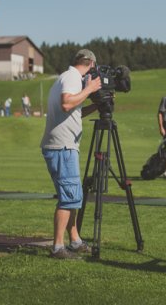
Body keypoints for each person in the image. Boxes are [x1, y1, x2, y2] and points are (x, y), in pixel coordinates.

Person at [40, 49, 102, 259]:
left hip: (63, 146)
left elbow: (73, 110)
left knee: (74, 195)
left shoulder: (66, 78)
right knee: (68, 198)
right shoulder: (73, 78)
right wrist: (90, 88)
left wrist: (95, 105)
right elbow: (67, 102)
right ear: (91, 64)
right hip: (62, 147)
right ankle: (58, 247)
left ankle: (74, 241)